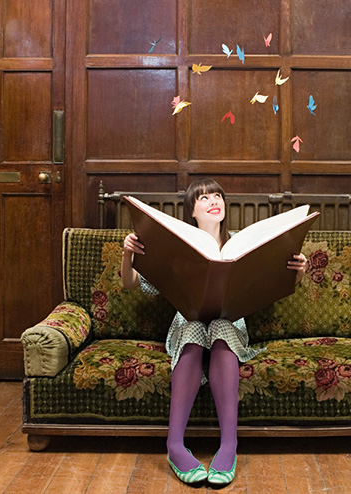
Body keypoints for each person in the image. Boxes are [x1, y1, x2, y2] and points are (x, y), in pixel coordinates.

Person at [121, 178, 309, 487]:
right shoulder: (178, 246)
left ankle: (228, 446)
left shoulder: (243, 245)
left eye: (217, 195)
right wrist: (128, 254)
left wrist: (296, 272)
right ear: (191, 211)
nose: (213, 200)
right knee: (194, 326)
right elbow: (132, 284)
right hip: (188, 322)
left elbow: (273, 285)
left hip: (230, 321)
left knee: (221, 327)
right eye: (203, 197)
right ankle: (175, 446)